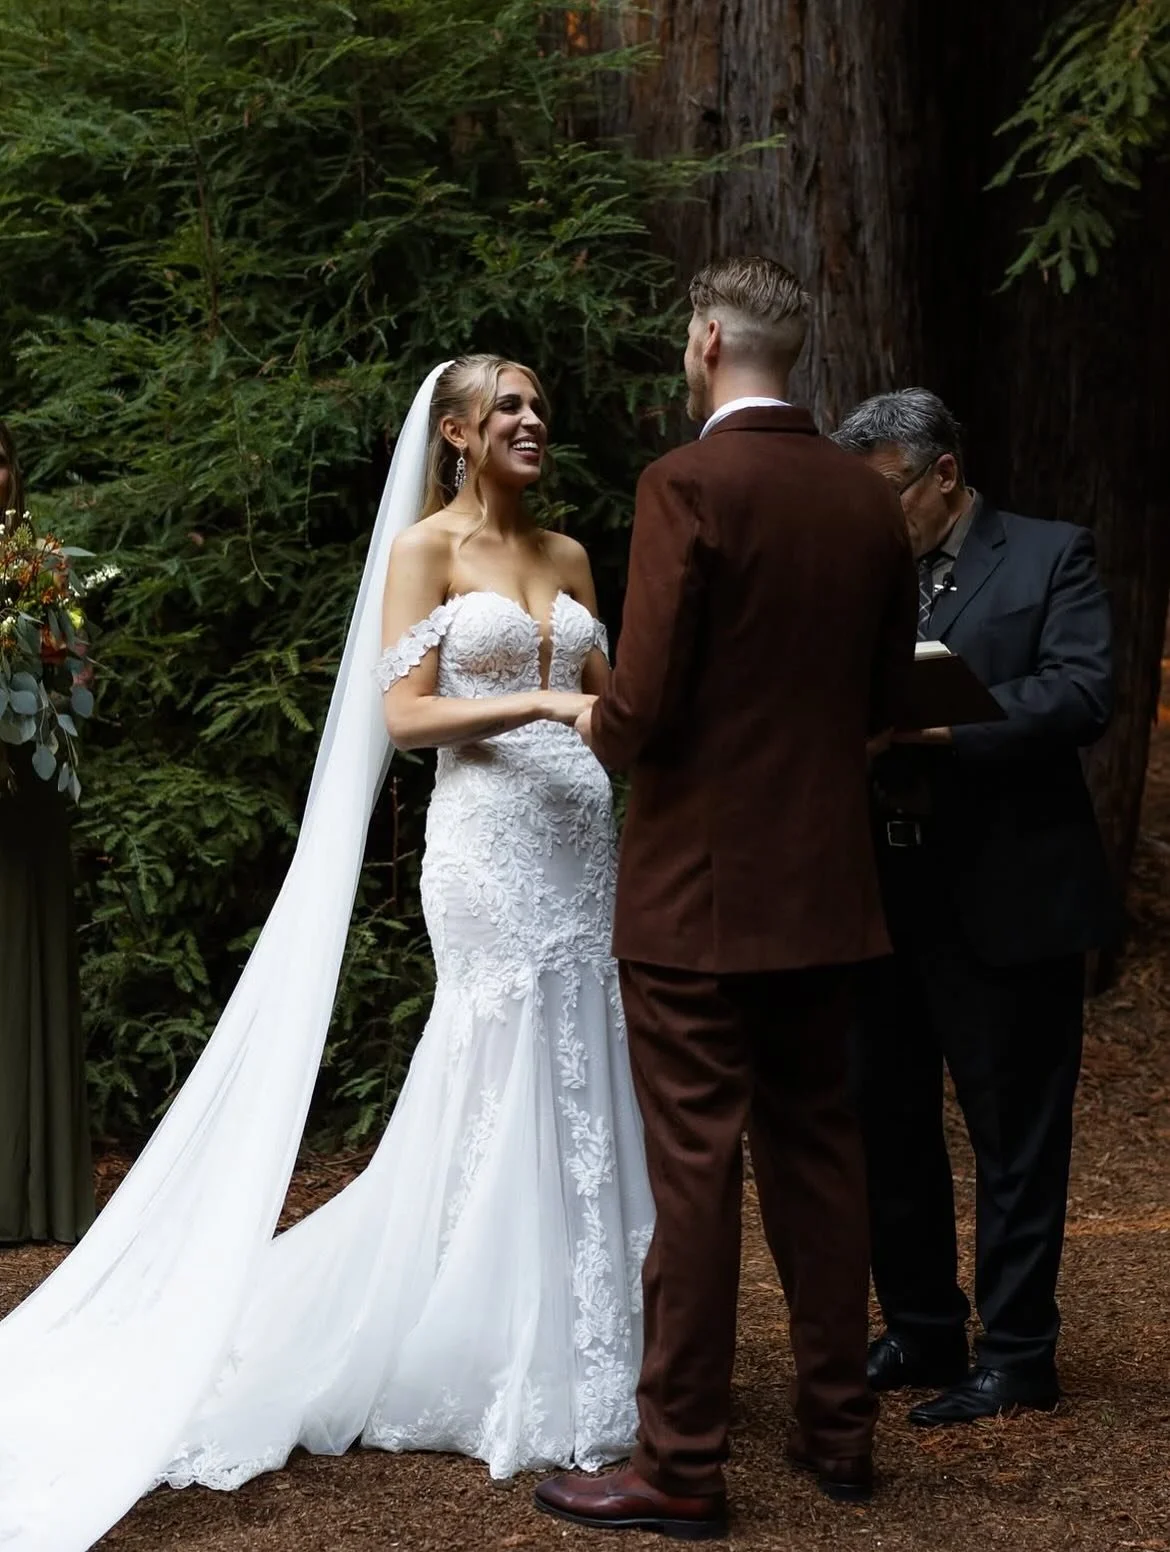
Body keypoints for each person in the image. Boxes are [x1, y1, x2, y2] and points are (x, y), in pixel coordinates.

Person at [0, 358, 654, 1551]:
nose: (529, 420)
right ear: (455, 432)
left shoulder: (567, 555)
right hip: (490, 847)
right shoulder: (429, 550)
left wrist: (620, 732)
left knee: (579, 1055)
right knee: (500, 1062)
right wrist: (541, 708)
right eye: (504, 406)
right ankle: (485, 1337)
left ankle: (593, 1331)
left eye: (537, 405)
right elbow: (403, 720)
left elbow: (611, 701)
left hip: (579, 847)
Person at [533, 257, 919, 1540]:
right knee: (820, 1152)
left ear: (705, 343)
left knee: (695, 1173)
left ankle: (682, 1464)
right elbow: (883, 703)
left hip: (698, 890)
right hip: (826, 891)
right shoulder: (869, 501)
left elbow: (637, 711)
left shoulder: (683, 484)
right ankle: (838, 1430)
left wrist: (594, 711)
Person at [831, 388, 1115, 1427]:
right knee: (886, 1118)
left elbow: (1081, 692)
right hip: (882, 892)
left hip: (1011, 894)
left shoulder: (1052, 553)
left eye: (888, 496)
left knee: (1015, 1132)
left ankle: (1021, 1352)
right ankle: (921, 1324)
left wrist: (945, 731)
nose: (876, 519)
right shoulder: (865, 573)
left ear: (943, 474)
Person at [0, 419, 94, 1246]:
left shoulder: (43, 571)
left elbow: (76, 675)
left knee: (26, 973)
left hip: (25, 793)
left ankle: (35, 1192)